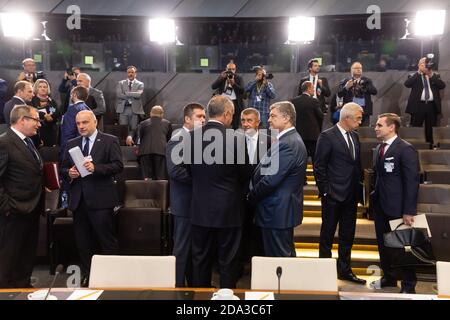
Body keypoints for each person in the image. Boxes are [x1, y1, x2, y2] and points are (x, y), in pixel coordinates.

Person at [61, 110, 123, 285]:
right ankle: (91, 277)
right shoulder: (71, 143)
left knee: (107, 241)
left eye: (85, 122)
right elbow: (63, 169)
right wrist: (70, 173)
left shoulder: (110, 140)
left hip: (102, 200)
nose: (81, 126)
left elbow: (118, 166)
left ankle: (112, 278)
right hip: (79, 201)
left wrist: (96, 168)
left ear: (95, 122)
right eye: (78, 123)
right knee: (83, 243)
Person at [189, 95, 243, 288]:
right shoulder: (236, 139)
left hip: (199, 209)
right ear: (227, 114)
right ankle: (226, 299)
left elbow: (187, 172)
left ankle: (200, 300)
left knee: (200, 258)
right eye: (233, 114)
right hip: (228, 209)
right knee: (228, 260)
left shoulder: (191, 137)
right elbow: (246, 174)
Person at [314, 102, 366, 284]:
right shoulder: (327, 136)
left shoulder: (355, 137)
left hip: (351, 196)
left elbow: (356, 166)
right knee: (327, 235)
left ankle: (345, 270)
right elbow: (319, 166)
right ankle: (323, 272)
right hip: (333, 196)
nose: (360, 121)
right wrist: (326, 191)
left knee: (347, 235)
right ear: (347, 118)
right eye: (358, 118)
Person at [249, 101, 307, 257]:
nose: (268, 119)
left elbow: (270, 180)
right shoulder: (288, 139)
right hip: (279, 210)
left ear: (286, 118)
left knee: (279, 262)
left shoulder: (288, 143)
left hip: (277, 210)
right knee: (282, 258)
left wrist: (251, 196)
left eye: (273, 116)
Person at [370, 113, 420, 294]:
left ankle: (408, 285)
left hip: (399, 208)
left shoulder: (405, 149)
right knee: (384, 246)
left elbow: (412, 182)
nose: (375, 128)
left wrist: (409, 210)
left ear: (392, 127)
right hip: (381, 206)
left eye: (379, 125)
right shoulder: (380, 148)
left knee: (402, 248)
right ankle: (389, 277)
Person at [0, 105, 43, 288]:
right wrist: (7, 206)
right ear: (22, 120)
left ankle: (23, 286)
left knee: (26, 254)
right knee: (9, 257)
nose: (39, 124)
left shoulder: (29, 141)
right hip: (13, 211)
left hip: (32, 208)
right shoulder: (4, 142)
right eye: (36, 119)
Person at [166, 103, 206, 287]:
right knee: (181, 248)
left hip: (195, 201)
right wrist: (202, 180)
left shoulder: (197, 138)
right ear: (187, 119)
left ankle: (192, 285)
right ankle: (177, 286)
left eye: (204, 117)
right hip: (184, 202)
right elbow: (175, 171)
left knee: (192, 248)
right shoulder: (178, 138)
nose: (203, 120)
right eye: (199, 116)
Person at [237, 108, 269, 269]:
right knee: (242, 231)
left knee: (260, 234)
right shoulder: (234, 141)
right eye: (243, 120)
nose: (245, 124)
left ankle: (259, 265)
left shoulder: (270, 141)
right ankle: (242, 263)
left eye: (249, 120)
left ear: (258, 122)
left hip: (263, 195)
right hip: (240, 196)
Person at [404, 56, 446, 144]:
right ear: (419, 65)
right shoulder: (413, 75)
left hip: (431, 105)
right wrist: (419, 72)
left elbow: (442, 86)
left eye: (426, 64)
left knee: (430, 128)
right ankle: (415, 145)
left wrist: (431, 75)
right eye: (423, 64)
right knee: (416, 126)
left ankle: (430, 146)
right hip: (418, 105)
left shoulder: (435, 75)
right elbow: (407, 84)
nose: (425, 65)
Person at [291, 81, 324, 164]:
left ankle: (301, 177)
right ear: (309, 89)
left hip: (299, 135)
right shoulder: (314, 101)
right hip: (313, 136)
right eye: (313, 88)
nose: (314, 90)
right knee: (315, 159)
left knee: (300, 159)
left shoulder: (294, 101)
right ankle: (317, 177)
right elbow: (321, 116)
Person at [338, 62, 377, 126]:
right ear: (351, 70)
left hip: (364, 111)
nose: (359, 70)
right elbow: (339, 94)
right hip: (350, 112)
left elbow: (374, 92)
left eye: (360, 68)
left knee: (364, 131)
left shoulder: (367, 81)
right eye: (356, 68)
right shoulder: (345, 81)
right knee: (351, 131)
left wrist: (365, 86)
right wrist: (346, 87)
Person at [138, 106, 172, 180]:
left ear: (151, 113)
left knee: (147, 178)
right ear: (162, 114)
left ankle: (148, 191)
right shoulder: (167, 123)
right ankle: (160, 191)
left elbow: (140, 137)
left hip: (145, 152)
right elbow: (169, 139)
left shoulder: (143, 123)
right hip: (161, 151)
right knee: (160, 178)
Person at [59, 86, 91, 164]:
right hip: (85, 148)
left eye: (71, 95)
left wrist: (64, 153)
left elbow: (68, 133)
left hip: (72, 151)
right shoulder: (88, 109)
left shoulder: (72, 109)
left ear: (74, 95)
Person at [116, 66, 145, 146]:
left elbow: (138, 95)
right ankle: (124, 145)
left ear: (135, 74)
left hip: (134, 109)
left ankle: (132, 143)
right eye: (129, 72)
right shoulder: (121, 83)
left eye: (132, 72)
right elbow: (119, 95)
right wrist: (132, 94)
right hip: (123, 108)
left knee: (134, 128)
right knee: (123, 127)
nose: (130, 74)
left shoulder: (140, 84)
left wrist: (126, 93)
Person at [211, 61, 245, 129]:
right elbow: (213, 86)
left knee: (235, 122)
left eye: (233, 69)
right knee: (222, 120)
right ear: (226, 69)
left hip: (235, 102)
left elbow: (242, 90)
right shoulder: (222, 77)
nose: (231, 71)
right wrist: (221, 78)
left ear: (235, 70)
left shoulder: (238, 78)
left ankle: (234, 137)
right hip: (223, 102)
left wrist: (233, 84)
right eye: (229, 69)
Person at [31, 79, 60, 147]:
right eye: (40, 87)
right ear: (36, 88)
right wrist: (44, 116)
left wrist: (51, 117)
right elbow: (32, 111)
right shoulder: (32, 100)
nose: (43, 88)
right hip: (38, 131)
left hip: (51, 131)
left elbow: (57, 112)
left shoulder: (51, 101)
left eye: (45, 87)